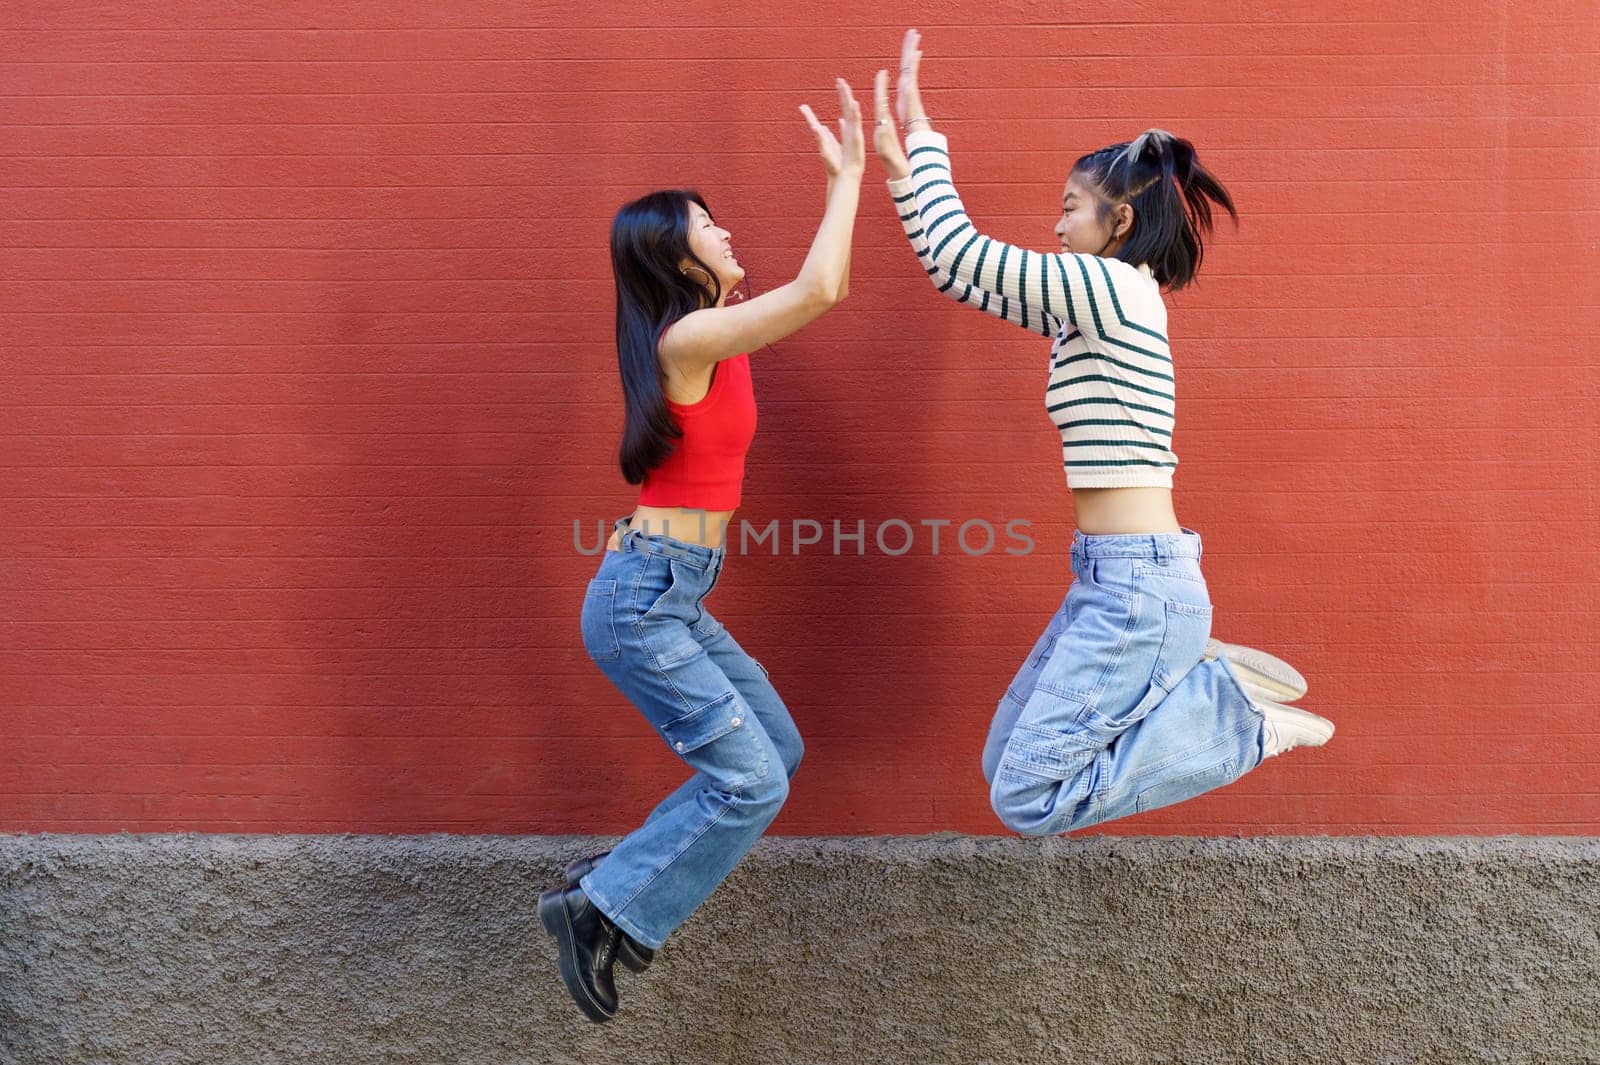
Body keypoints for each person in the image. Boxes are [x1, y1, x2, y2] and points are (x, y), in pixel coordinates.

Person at [872, 29, 1333, 838]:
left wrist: (919, 146)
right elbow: (956, 276)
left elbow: (957, 249)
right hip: (1114, 578)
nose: (1055, 226)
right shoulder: (1094, 301)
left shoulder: (1108, 286)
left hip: (1138, 586)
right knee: (1005, 763)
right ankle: (1202, 678)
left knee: (1027, 797)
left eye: (1068, 207)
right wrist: (919, 151)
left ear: (1119, 220)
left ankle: (1237, 722)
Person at [539, 79, 866, 1022]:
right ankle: (605, 908)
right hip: (647, 601)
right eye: (706, 225)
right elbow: (826, 288)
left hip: (667, 591)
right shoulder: (691, 336)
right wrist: (847, 178)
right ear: (671, 257)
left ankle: (615, 885)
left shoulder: (711, 337)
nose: (725, 233)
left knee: (779, 751)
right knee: (750, 780)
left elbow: (686, 461)